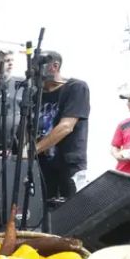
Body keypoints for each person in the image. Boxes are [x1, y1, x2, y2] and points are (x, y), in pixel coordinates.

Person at [35, 50, 90, 202]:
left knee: (70, 212)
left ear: (54, 66)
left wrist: (33, 150)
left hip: (68, 164)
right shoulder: (36, 95)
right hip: (42, 164)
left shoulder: (76, 88)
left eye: (37, 66)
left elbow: (66, 126)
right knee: (41, 209)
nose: (33, 70)